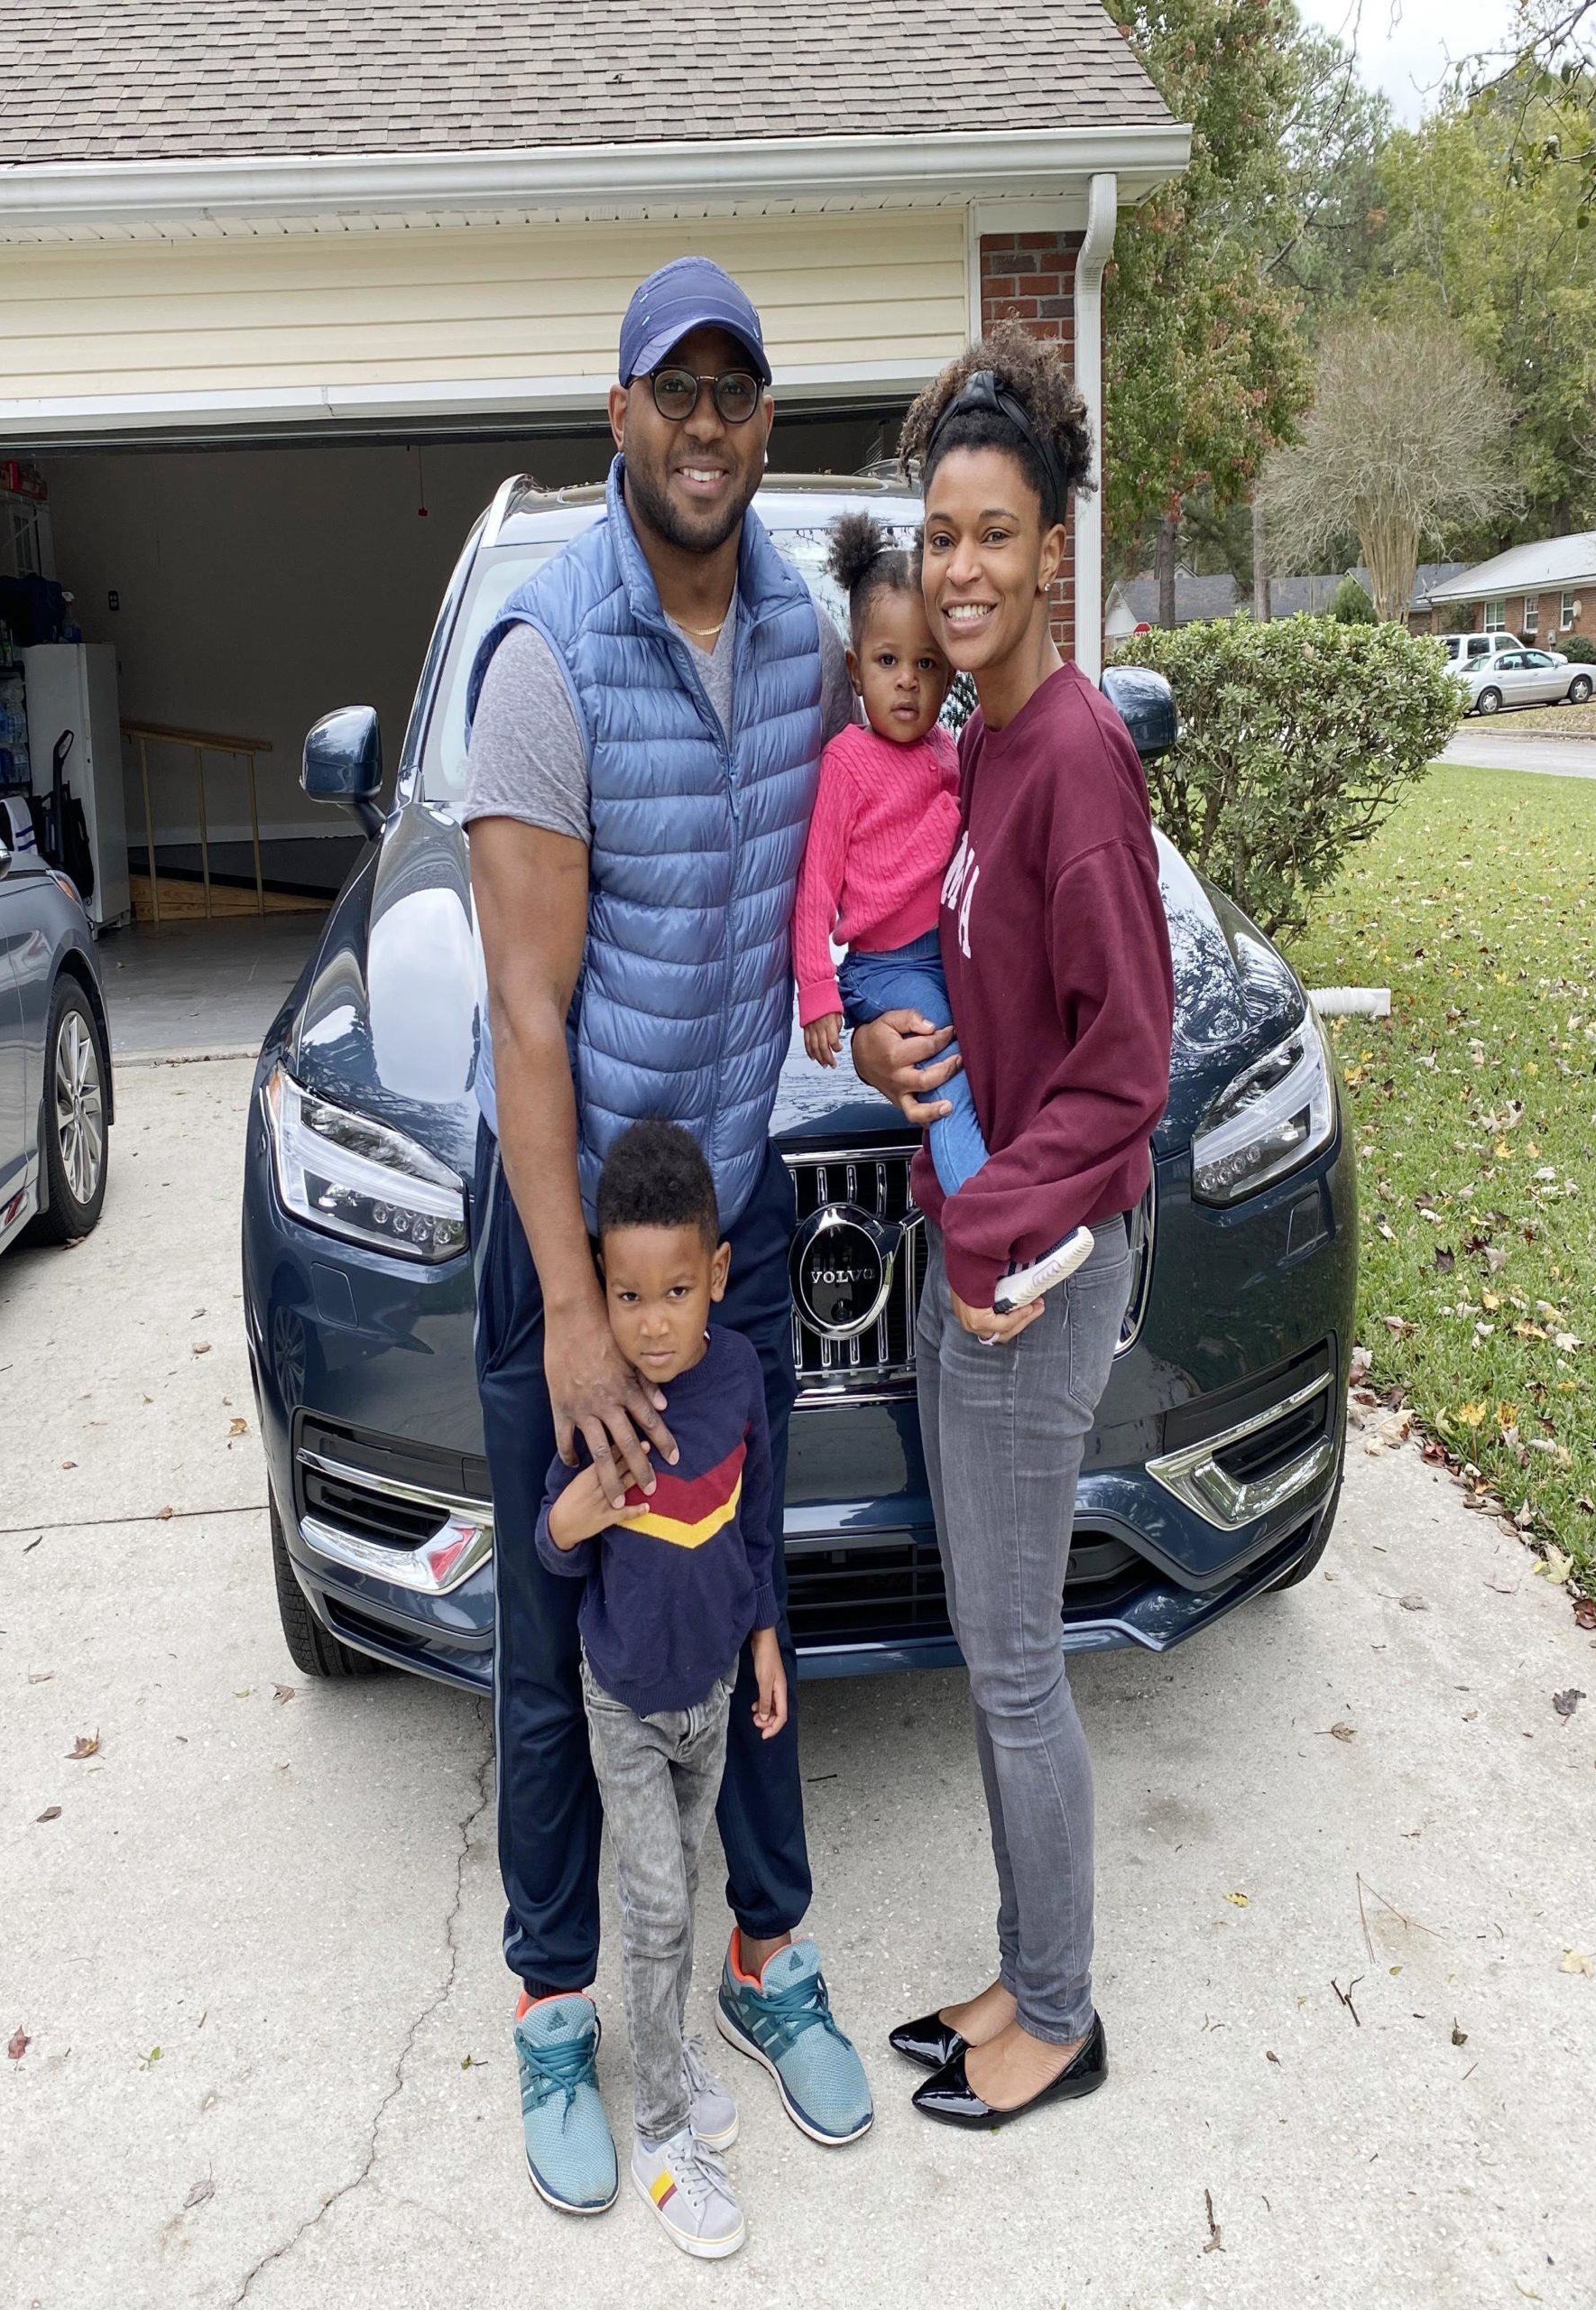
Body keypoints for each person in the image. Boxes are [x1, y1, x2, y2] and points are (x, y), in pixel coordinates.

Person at [461, 255, 873, 2219]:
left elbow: (883, 837)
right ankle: (556, 2005)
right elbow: (523, 1013)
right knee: (565, 1633)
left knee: (736, 1591)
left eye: (734, 390)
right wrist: (561, 1309)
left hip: (735, 1230)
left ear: (763, 423)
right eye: (668, 389)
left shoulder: (802, 635)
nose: (702, 422)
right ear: (614, 415)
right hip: (570, 1254)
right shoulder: (543, 652)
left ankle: (761, 1959)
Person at [852, 323, 1176, 2127]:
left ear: (1053, 547)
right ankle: (1016, 1963)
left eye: (991, 535)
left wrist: (982, 1235)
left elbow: (1125, 1066)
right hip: (972, 1241)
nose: (959, 570)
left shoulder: (1069, 763)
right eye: (939, 538)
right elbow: (1004, 1011)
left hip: (1028, 1276)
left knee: (1016, 1662)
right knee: (990, 1649)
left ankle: (1056, 2014)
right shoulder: (973, 749)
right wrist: (903, 1045)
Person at [535, 1120, 786, 2259]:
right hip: (626, 1702)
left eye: (675, 1290)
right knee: (651, 1904)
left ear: (715, 1277)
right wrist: (572, 1512)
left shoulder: (734, 1376)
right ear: (601, 1286)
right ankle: (658, 2131)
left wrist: (767, 1636)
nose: (649, 1321)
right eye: (627, 1295)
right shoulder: (602, 1403)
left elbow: (758, 1524)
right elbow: (551, 1539)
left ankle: (675, 2043)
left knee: (686, 1878)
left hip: (713, 1688)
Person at [791, 510, 1093, 1314]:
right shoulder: (846, 767)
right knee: (946, 1088)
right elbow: (814, 891)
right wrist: (818, 994)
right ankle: (998, 1237)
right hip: (888, 971)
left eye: (926, 665)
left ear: (949, 677)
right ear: (855, 671)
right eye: (889, 662)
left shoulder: (953, 755)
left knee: (997, 1069)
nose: (907, 682)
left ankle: (1016, 1199)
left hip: (945, 955)